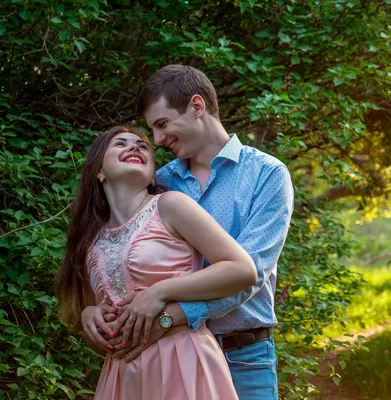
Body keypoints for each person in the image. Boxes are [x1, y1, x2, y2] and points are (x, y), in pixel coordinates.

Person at [84, 65, 294, 399]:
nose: (157, 140)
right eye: (153, 130)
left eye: (162, 124)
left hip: (244, 355)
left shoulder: (266, 175)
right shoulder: (159, 182)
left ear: (197, 107)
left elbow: (250, 274)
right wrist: (92, 310)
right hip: (166, 357)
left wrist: (168, 313)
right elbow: (122, 256)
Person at [56, 126, 259, 399]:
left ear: (153, 174)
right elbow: (101, 323)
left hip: (182, 360)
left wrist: (159, 292)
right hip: (122, 375)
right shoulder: (90, 240)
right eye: (120, 144)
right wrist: (89, 316)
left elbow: (242, 269)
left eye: (142, 146)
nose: (135, 147)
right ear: (98, 171)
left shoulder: (170, 205)